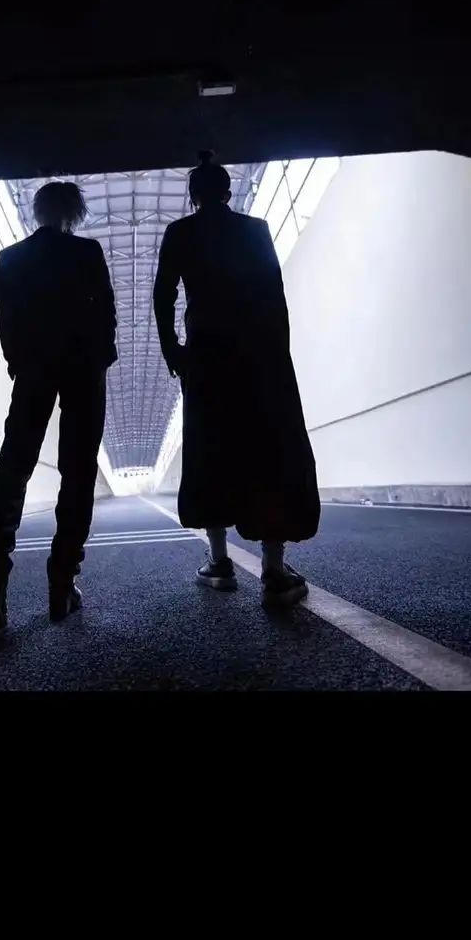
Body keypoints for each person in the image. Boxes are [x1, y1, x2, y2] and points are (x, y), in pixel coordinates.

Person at [153, 150, 320, 604]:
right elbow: (274, 293)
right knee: (271, 450)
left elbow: (164, 294)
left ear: (193, 197)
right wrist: (278, 354)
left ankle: (219, 561)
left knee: (210, 450)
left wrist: (173, 349)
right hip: (259, 355)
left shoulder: (180, 232)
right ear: (228, 193)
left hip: (206, 356)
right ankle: (273, 568)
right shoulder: (255, 230)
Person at [0, 181, 118, 635]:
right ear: (74, 214)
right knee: (77, 474)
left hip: (34, 370)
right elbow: (107, 313)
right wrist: (101, 357)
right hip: (83, 370)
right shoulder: (87, 253)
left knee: (13, 467)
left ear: (37, 213)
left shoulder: (11, 258)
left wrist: (18, 362)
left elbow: (6, 319)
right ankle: (62, 586)